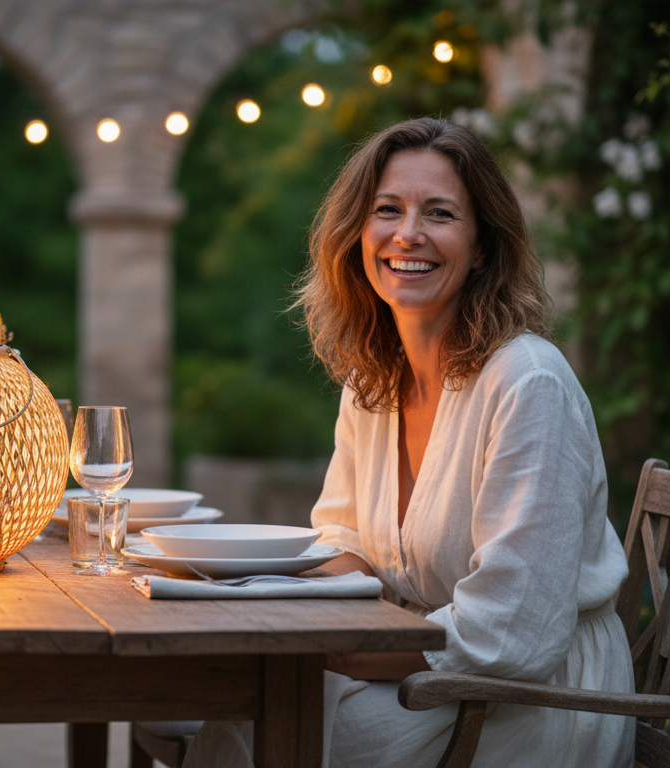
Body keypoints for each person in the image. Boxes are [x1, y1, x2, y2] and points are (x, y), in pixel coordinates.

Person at [184, 117, 635, 767]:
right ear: (357, 235)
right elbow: (342, 541)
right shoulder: (374, 380)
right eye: (387, 210)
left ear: (482, 246)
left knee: (264, 729)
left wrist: (335, 652)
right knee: (236, 706)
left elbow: (515, 630)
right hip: (422, 666)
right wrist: (289, 604)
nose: (408, 234)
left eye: (441, 213)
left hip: (528, 700)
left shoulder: (528, 383)